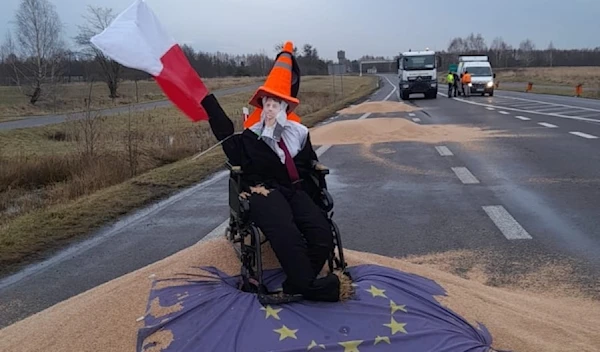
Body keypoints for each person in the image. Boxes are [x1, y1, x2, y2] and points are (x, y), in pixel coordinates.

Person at [200, 41, 342, 303]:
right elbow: (225, 136)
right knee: (285, 231)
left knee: (322, 232)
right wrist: (207, 102)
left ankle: (299, 284)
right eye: (267, 103)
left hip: (294, 189)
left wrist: (312, 174)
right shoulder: (249, 137)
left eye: (277, 103)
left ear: (286, 108)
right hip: (262, 190)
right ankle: (308, 285)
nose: (271, 108)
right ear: (262, 106)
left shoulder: (298, 134)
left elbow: (308, 162)